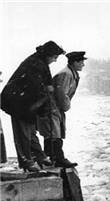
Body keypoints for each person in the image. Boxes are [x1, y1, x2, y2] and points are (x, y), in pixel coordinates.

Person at [1, 41, 65, 172]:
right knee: (23, 134)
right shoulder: (34, 64)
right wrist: (43, 107)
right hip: (17, 102)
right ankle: (26, 161)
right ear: (48, 54)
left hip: (27, 102)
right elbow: (36, 89)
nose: (55, 60)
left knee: (30, 131)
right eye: (54, 57)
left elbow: (43, 87)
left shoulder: (40, 62)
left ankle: (39, 156)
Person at [38, 51, 87, 168]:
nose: (83, 65)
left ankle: (51, 158)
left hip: (55, 108)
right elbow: (61, 94)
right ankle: (58, 158)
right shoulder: (66, 74)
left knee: (55, 132)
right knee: (54, 133)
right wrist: (66, 106)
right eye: (81, 62)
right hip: (51, 107)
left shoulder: (70, 73)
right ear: (74, 62)